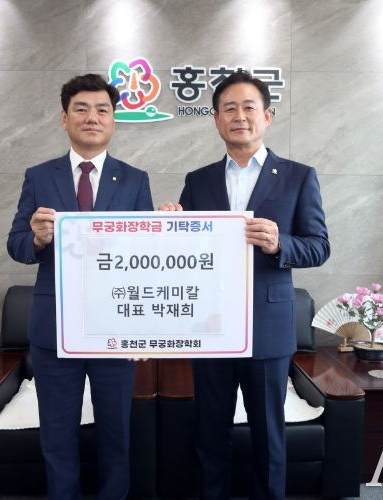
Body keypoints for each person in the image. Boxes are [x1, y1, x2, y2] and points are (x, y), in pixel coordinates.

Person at [160, 70, 330, 499]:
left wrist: (279, 243)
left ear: (267, 116)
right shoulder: (198, 180)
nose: (239, 116)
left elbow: (319, 246)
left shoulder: (298, 176)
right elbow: (187, 252)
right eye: (229, 108)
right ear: (216, 119)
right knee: (210, 431)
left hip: (267, 328)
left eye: (249, 107)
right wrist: (171, 226)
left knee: (268, 435)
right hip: (210, 326)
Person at [7, 73, 153, 500]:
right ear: (64, 118)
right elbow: (16, 245)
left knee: (115, 435)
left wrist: (141, 327)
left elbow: (145, 256)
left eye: (102, 110)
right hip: (54, 328)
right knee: (57, 435)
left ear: (113, 120)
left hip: (115, 328)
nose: (92, 117)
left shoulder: (134, 179)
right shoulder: (39, 176)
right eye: (82, 109)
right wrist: (37, 238)